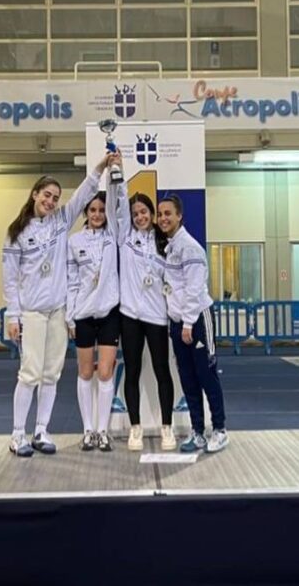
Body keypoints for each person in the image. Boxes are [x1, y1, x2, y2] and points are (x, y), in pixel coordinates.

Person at [2, 152, 118, 457]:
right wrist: (13, 316)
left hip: (58, 311)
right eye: (47, 195)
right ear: (34, 195)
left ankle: (41, 430)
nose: (51, 201)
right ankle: (17, 434)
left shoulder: (61, 222)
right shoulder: (16, 232)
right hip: (31, 312)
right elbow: (10, 279)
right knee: (29, 374)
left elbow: (84, 193)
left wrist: (100, 167)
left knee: (52, 374)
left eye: (55, 198)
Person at [157, 194, 228, 454]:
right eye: (160, 214)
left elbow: (194, 288)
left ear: (179, 216)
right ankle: (197, 432)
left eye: (168, 213)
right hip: (179, 324)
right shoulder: (171, 248)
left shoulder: (189, 247)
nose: (163, 218)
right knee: (188, 379)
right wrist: (176, 323)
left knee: (207, 376)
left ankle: (219, 430)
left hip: (197, 320)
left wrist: (187, 323)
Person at [115, 190, 176, 451]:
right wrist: (117, 174)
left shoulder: (165, 242)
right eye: (135, 214)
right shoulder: (125, 237)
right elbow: (117, 204)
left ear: (151, 213)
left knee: (163, 371)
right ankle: (135, 428)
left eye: (143, 212)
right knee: (132, 371)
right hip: (129, 315)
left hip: (157, 316)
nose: (139, 217)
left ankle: (167, 428)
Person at [68, 189, 121, 452]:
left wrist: (113, 172)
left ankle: (103, 431)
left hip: (110, 312)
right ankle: (88, 430)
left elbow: (117, 204)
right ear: (86, 213)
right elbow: (71, 282)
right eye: (93, 210)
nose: (98, 214)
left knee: (106, 372)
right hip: (83, 315)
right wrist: (70, 317)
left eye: (101, 210)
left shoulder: (113, 236)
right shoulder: (74, 241)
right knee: (86, 372)